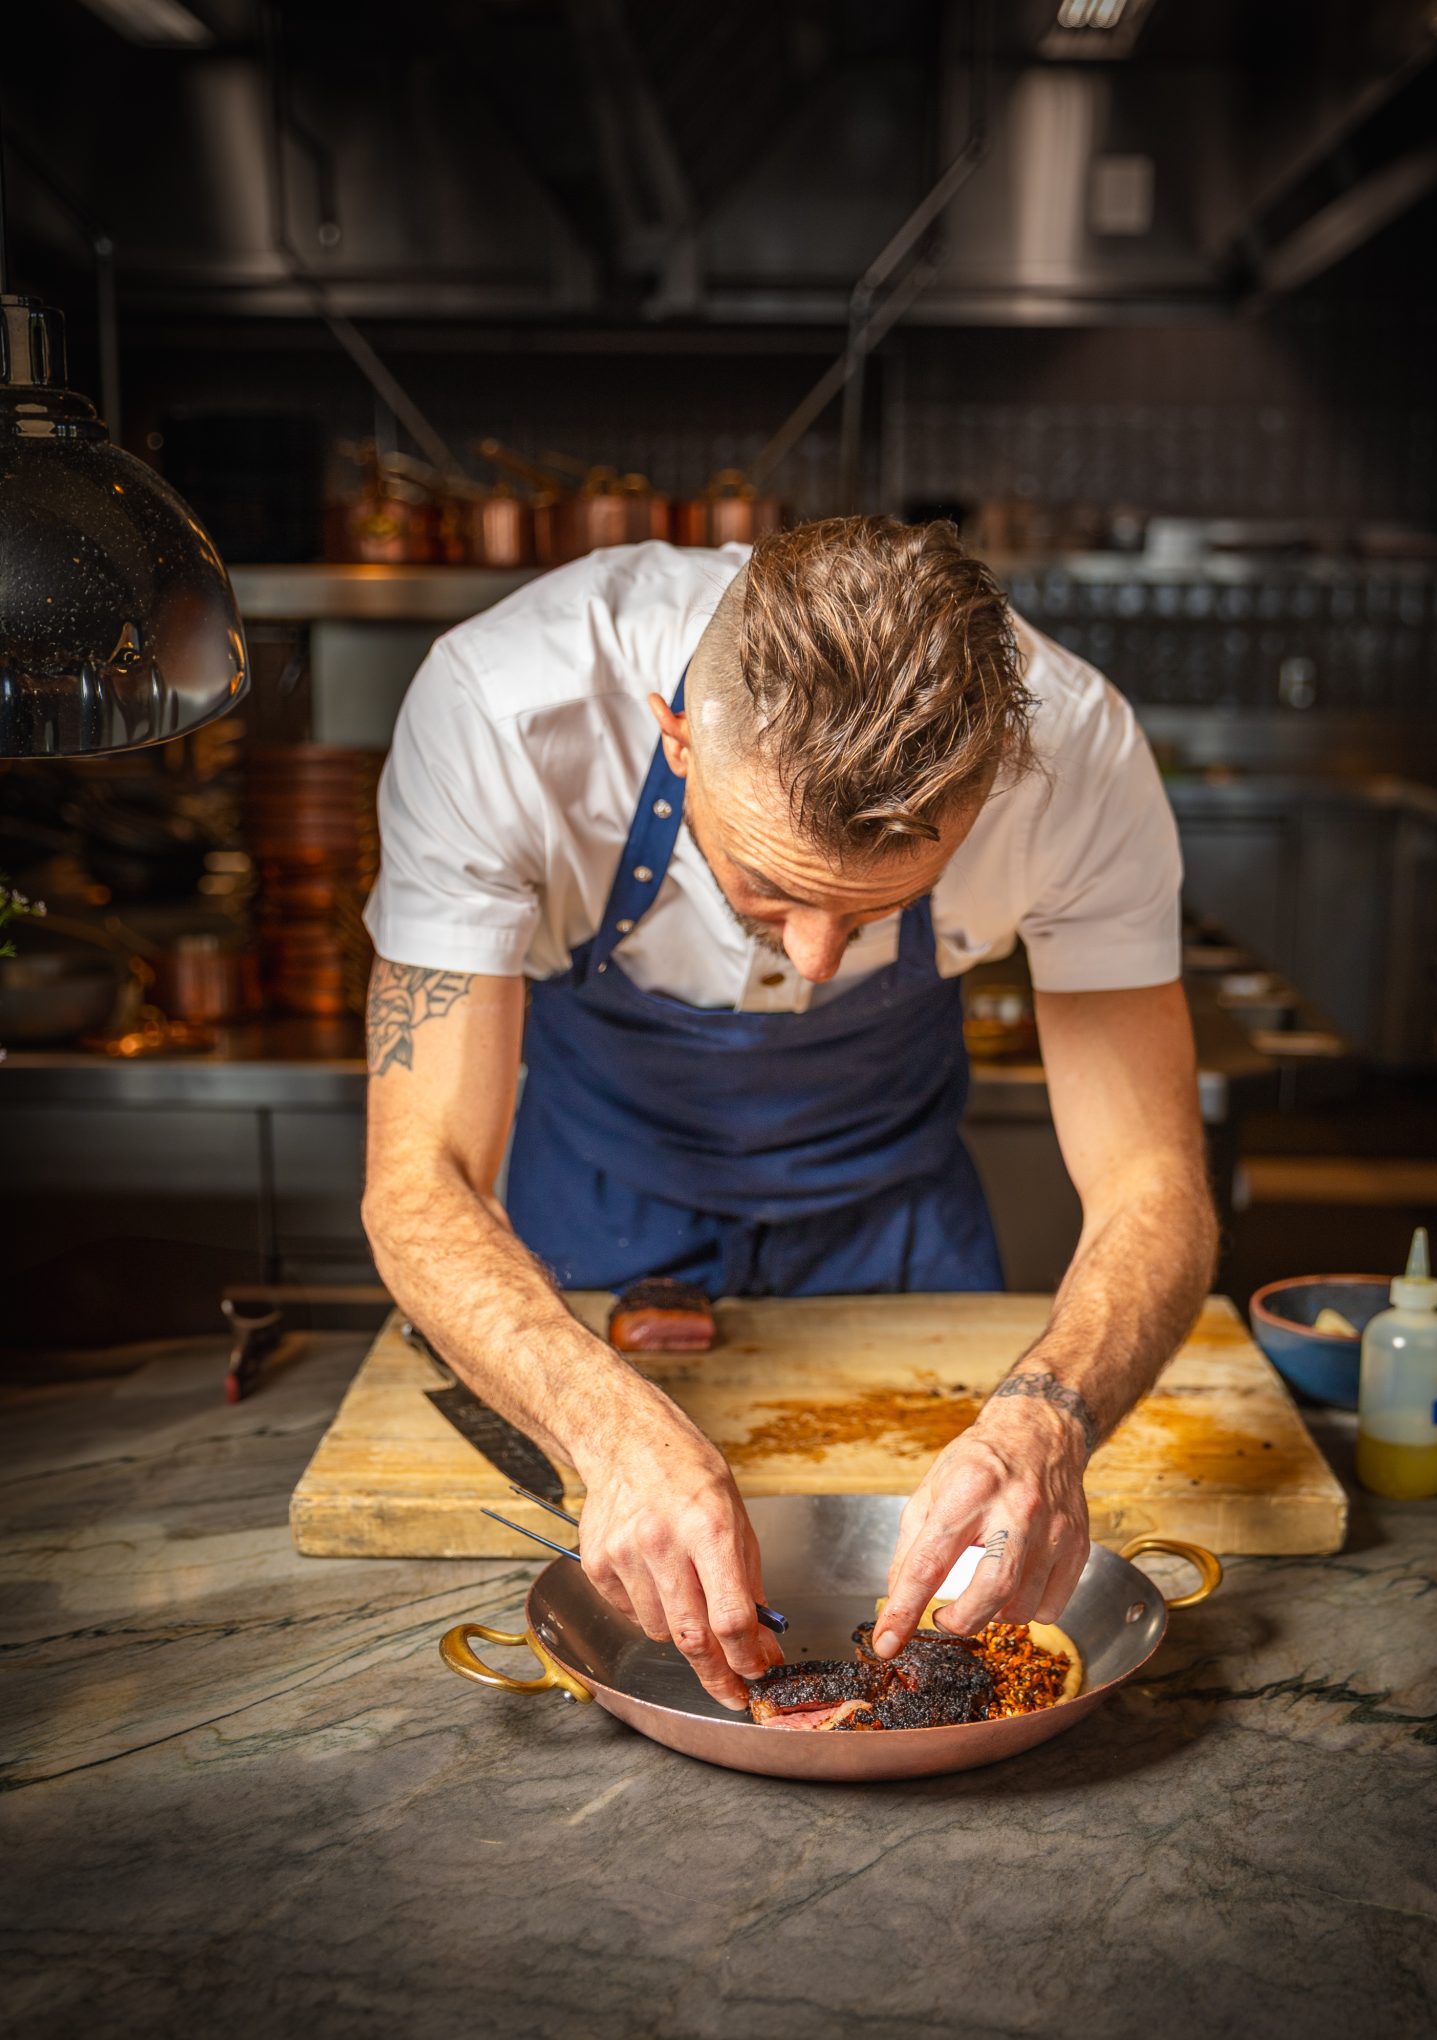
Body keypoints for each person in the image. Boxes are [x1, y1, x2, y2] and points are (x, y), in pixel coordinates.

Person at [361, 517, 1215, 1707]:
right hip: (601, 1208)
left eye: (878, 906)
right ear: (676, 735)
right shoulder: (502, 709)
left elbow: (1153, 1181)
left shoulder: (1079, 754)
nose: (817, 959)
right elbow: (420, 1180)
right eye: (767, 886)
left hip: (893, 1212)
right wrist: (601, 1424)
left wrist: (1052, 1418)